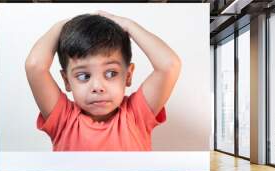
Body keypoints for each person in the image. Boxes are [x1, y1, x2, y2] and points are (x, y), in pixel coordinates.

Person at [25, 11, 181, 151]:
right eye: (84, 76)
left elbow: (169, 65)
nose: (98, 87)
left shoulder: (136, 114)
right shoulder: (63, 119)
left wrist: (129, 25)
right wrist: (62, 26)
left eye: (111, 73)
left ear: (127, 76)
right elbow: (35, 66)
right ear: (67, 81)